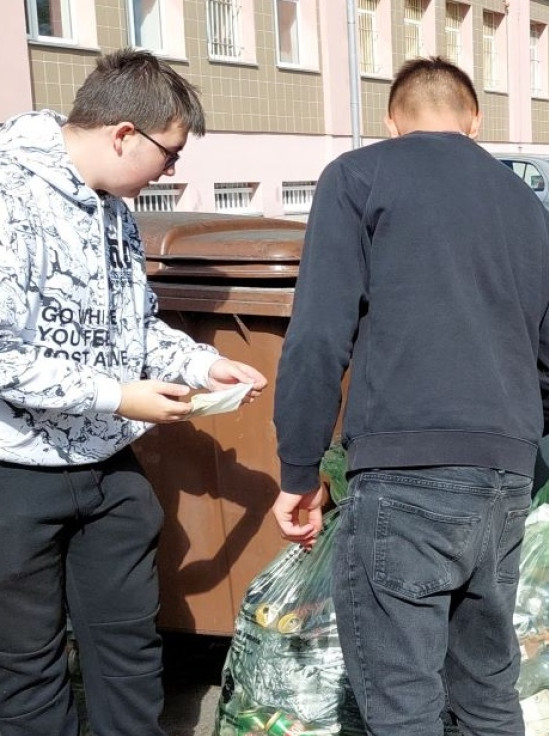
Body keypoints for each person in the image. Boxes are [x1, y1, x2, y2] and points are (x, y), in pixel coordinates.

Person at [271, 58, 549, 735]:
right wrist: (504, 434)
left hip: (404, 476)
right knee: (487, 693)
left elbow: (318, 338)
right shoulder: (526, 205)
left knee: (403, 703)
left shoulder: (358, 177)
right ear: (475, 121)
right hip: (503, 483)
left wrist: (299, 472)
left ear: (392, 122)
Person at [0, 50, 268, 736]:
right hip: (15, 472)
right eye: (169, 154)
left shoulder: (115, 213)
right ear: (124, 134)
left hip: (108, 468)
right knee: (26, 669)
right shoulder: (9, 197)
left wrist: (204, 366)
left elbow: (135, 328)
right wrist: (118, 397)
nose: (171, 170)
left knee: (129, 653)